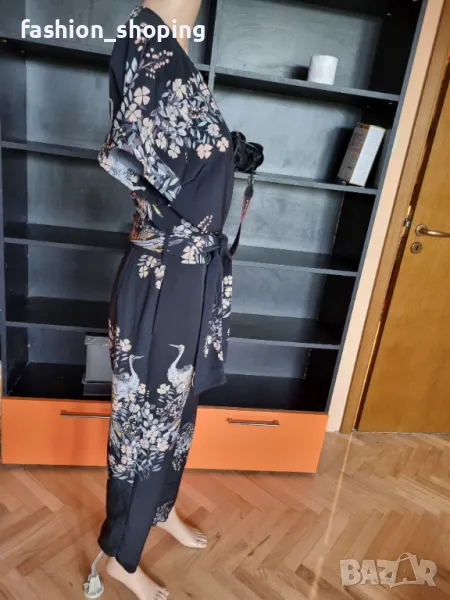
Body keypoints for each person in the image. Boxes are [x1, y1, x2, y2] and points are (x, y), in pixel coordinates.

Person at [83, 1, 235, 598]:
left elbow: (190, 168)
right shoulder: (150, 53)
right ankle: (120, 557)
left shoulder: (176, 59)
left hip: (190, 275)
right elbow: (146, 164)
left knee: (179, 411)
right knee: (143, 425)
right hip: (163, 274)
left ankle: (159, 509)